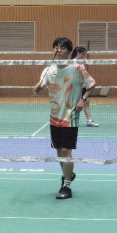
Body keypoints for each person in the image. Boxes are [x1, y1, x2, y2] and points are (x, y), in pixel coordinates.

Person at [33, 37, 96, 200]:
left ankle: (66, 185)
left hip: (70, 116)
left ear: (69, 51)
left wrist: (82, 99)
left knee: (66, 150)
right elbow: (40, 87)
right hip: (54, 116)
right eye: (56, 47)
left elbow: (91, 84)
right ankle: (68, 174)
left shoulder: (77, 67)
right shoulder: (49, 69)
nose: (58, 50)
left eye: (62, 47)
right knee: (59, 151)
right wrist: (37, 89)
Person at [71, 47, 99, 127]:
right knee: (75, 105)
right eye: (83, 54)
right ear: (78, 52)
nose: (83, 56)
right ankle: (70, 121)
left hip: (82, 86)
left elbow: (82, 76)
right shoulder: (74, 63)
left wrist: (84, 83)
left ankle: (89, 121)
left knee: (86, 103)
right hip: (74, 88)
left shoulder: (80, 62)